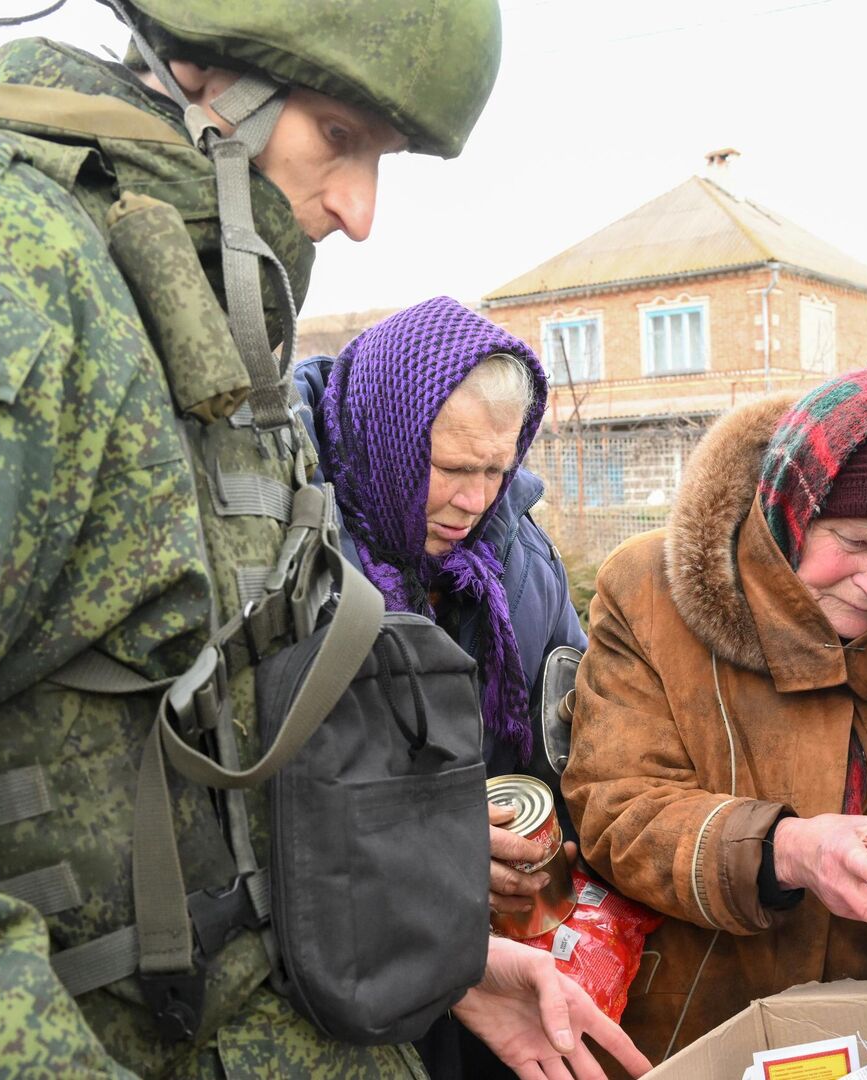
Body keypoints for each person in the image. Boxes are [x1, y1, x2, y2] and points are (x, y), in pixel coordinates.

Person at [0, 3, 633, 1076]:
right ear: (201, 71)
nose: (360, 212)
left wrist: (437, 959)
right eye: (338, 138)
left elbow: (212, 765)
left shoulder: (174, 291)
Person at [563, 365, 867, 1062]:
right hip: (694, 1029)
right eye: (853, 541)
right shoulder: (650, 592)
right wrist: (786, 849)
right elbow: (618, 808)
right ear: (792, 512)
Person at [293, 295, 646, 1080]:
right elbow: (281, 796)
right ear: (388, 437)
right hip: (348, 973)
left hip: (505, 958)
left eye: (497, 469)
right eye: (451, 469)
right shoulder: (293, 555)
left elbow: (576, 726)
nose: (475, 500)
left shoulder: (517, 557)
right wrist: (433, 851)